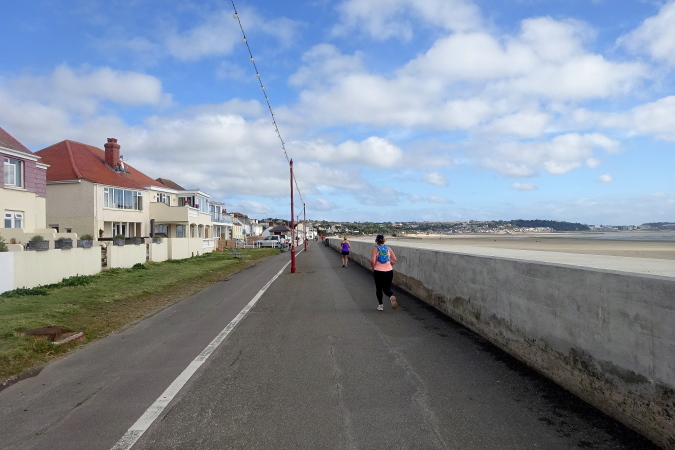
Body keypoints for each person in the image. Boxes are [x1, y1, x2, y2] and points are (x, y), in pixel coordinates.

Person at [370, 234, 397, 311]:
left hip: (378, 271)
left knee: (379, 288)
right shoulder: (388, 248)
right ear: (384, 240)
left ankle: (381, 305)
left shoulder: (375, 249)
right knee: (387, 288)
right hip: (389, 271)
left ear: (376, 241)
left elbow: (372, 260)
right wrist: (390, 264)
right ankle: (391, 296)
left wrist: (373, 267)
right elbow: (394, 259)